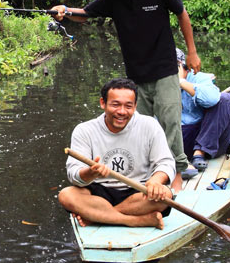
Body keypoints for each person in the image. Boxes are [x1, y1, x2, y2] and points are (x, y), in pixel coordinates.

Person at [51, 0, 200, 191]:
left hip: (164, 69)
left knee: (170, 122)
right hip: (136, 74)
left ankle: (177, 172)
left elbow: (182, 13)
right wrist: (65, 11)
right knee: (132, 125)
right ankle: (140, 175)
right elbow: (87, 14)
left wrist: (192, 52)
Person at [58, 78, 176, 229]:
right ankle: (134, 220)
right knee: (66, 195)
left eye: (128, 106)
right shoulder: (84, 130)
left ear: (135, 106)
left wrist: (155, 181)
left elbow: (166, 163)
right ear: (103, 103)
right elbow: (74, 174)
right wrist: (90, 173)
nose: (121, 112)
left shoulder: (149, 125)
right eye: (115, 105)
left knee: (164, 195)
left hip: (137, 191)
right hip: (98, 193)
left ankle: (99, 217)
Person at [176, 49, 230, 179]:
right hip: (179, 142)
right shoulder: (158, 85)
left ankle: (200, 153)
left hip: (210, 141)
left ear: (184, 67)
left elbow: (211, 99)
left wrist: (181, 82)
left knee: (225, 99)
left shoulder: (199, 77)